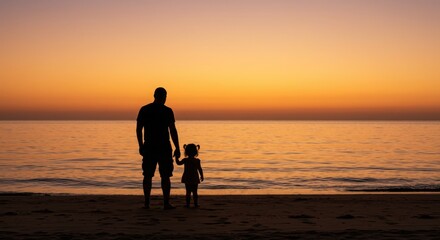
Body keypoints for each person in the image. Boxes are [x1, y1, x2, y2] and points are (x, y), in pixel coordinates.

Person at [136, 87, 180, 209]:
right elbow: (173, 131)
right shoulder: (166, 111)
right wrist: (177, 147)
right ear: (164, 97)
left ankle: (147, 203)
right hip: (163, 146)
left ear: (154, 95)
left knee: (148, 175)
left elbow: (139, 129)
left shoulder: (145, 109)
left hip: (151, 146)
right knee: (164, 176)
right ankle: (165, 203)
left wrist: (141, 145)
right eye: (165, 96)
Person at [175, 144, 204, 208]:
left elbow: (178, 163)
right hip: (194, 177)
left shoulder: (185, 160)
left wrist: (176, 157)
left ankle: (188, 204)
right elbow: (200, 169)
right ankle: (195, 204)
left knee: (188, 192)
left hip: (187, 177)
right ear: (196, 152)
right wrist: (202, 176)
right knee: (195, 192)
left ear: (186, 152)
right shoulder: (197, 161)